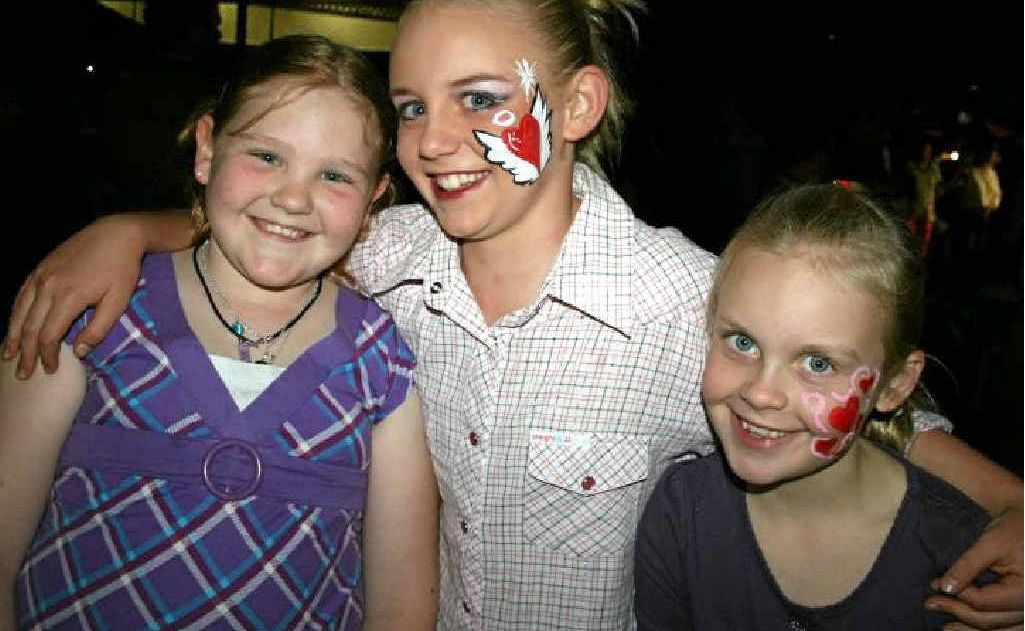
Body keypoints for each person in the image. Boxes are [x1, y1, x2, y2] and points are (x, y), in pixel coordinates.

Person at [3, 2, 1023, 629]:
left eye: (481, 98)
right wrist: (131, 229)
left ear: (574, 107)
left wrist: (1007, 499)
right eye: (408, 108)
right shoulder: (389, 258)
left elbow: (834, 395)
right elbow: (274, 227)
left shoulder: (676, 300)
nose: (434, 141)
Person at [0, 35, 438, 630]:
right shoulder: (91, 311)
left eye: (334, 175)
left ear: (373, 201)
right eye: (266, 156)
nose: (291, 197)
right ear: (207, 150)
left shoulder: (383, 365)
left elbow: (401, 608)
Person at [634, 183, 1000, 630]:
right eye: (743, 342)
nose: (761, 393)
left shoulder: (963, 556)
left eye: (818, 362)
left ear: (895, 385)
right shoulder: (680, 513)